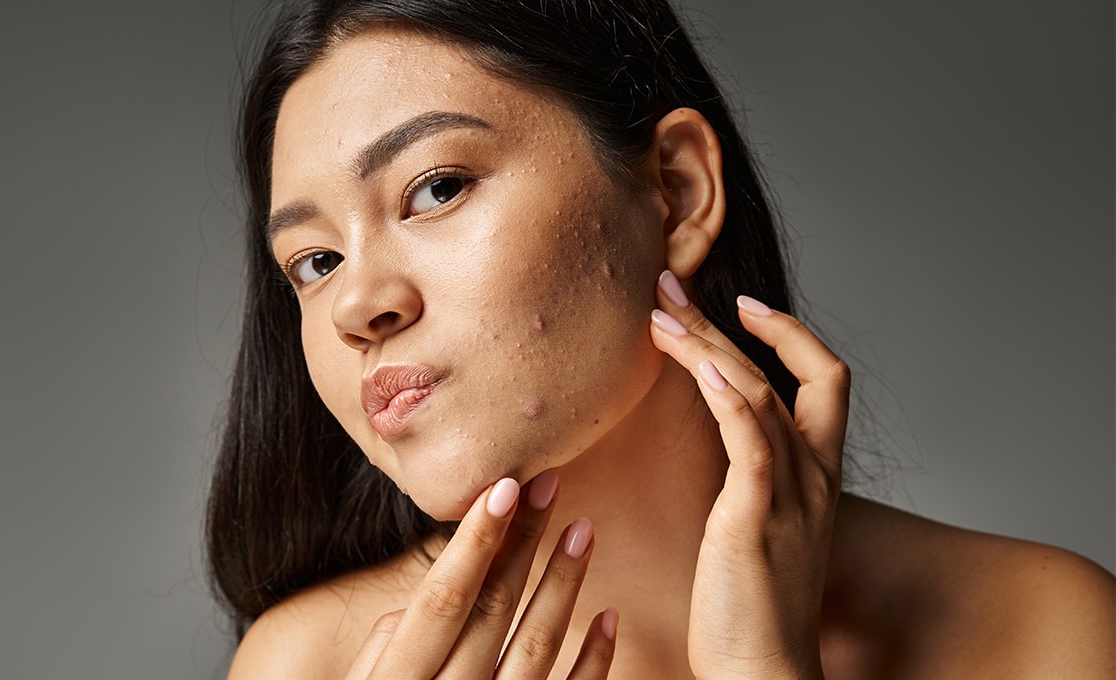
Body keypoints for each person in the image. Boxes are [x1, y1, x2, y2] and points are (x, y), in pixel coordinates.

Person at [204, 0, 1115, 676]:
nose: (356, 303)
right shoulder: (307, 666)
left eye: (436, 188)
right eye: (313, 261)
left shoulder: (1043, 632)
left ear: (674, 192)